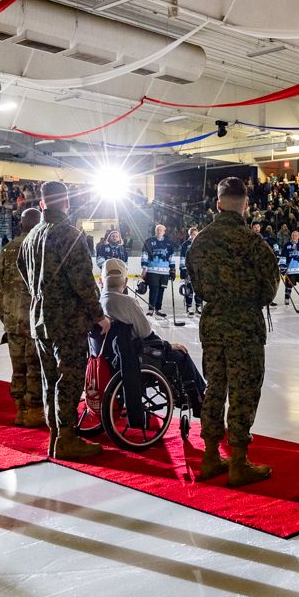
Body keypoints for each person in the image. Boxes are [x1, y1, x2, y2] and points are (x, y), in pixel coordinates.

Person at [186, 177, 280, 486]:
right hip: (244, 327)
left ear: (218, 203)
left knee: (214, 388)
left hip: (213, 323)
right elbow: (269, 291)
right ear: (246, 205)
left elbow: (197, 286)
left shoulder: (200, 241)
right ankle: (238, 462)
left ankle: (210, 456)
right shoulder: (254, 242)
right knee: (243, 391)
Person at [19, 181, 110, 460]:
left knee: (50, 381)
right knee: (69, 380)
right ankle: (67, 438)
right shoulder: (69, 234)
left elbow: (23, 269)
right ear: (67, 201)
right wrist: (98, 314)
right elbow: (83, 281)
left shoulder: (32, 234)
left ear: (43, 202)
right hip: (68, 321)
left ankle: (55, 436)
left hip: (40, 319)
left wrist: (41, 294)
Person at [100, 258, 206, 416]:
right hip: (135, 358)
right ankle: (201, 400)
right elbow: (146, 334)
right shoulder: (128, 302)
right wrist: (168, 345)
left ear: (102, 280)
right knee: (182, 356)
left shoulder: (100, 301)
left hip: (112, 359)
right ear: (126, 280)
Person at [0, 208, 45, 428]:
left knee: (18, 367)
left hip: (13, 319)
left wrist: (5, 318)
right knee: (34, 367)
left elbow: (0, 289)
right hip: (34, 320)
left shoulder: (7, 249)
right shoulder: (40, 247)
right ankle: (34, 410)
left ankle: (19, 410)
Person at [141, 224, 175, 317]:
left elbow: (172, 257)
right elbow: (145, 255)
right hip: (152, 271)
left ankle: (158, 309)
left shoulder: (169, 243)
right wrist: (144, 268)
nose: (159, 232)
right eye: (157, 230)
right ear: (155, 231)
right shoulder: (149, 241)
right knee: (154, 289)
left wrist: (172, 270)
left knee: (161, 290)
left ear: (164, 232)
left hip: (164, 272)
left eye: (161, 230)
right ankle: (151, 309)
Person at [279, 230, 299, 306]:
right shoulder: (287, 245)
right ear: (291, 236)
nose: (294, 236)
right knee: (288, 287)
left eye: (296, 235)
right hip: (290, 271)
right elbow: (283, 256)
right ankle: (287, 300)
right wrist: (282, 266)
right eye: (293, 235)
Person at [178, 227, 200, 316]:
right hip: (189, 270)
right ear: (190, 234)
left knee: (199, 289)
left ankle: (198, 306)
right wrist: (183, 269)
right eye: (193, 234)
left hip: (198, 270)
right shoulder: (185, 244)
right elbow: (182, 257)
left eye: (196, 234)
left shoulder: (200, 243)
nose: (194, 236)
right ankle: (189, 306)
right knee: (189, 289)